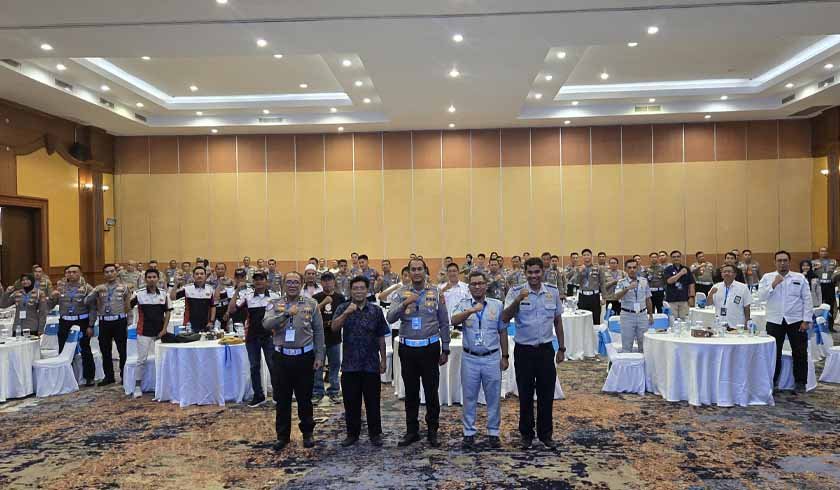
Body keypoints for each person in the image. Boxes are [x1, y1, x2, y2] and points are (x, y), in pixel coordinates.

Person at [386, 258, 450, 448]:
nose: (416, 272)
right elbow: (390, 317)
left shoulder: (436, 292)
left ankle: (432, 431)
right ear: (409, 272)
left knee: (431, 391)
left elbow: (444, 322)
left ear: (425, 271)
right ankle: (412, 431)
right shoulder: (400, 293)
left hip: (430, 348)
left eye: (419, 269)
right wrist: (405, 303)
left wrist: (446, 347)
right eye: (413, 269)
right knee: (411, 392)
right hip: (408, 349)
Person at [502, 257, 565, 450]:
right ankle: (526, 435)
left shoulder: (552, 292)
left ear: (542, 272)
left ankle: (546, 434)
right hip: (524, 351)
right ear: (525, 273)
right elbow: (504, 317)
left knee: (546, 395)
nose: (533, 276)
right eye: (530, 272)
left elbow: (558, 321)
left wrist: (562, 348)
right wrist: (518, 300)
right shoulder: (515, 292)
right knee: (525, 394)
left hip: (546, 350)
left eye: (537, 272)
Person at [263, 272, 325, 451]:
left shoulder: (311, 304)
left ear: (302, 284)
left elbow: (319, 331)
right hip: (281, 358)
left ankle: (308, 433)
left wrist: (319, 356)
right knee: (282, 399)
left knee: (305, 398)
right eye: (288, 282)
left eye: (296, 282)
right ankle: (282, 436)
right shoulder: (274, 304)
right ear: (283, 284)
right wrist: (285, 315)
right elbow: (266, 324)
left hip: (304, 357)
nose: (292, 285)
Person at [451, 271, 509, 449]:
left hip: (491, 357)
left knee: (493, 397)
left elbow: (502, 331)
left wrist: (505, 356)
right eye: (473, 284)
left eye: (480, 283)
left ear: (486, 285)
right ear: (469, 287)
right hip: (470, 358)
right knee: (469, 397)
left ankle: (493, 432)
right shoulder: (463, 304)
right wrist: (470, 311)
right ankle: (469, 432)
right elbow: (453, 320)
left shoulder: (497, 305)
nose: (477, 286)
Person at [330, 276, 389, 447]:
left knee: (373, 402)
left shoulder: (375, 310)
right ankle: (352, 434)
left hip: (371, 364)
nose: (358, 291)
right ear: (350, 290)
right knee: (351, 403)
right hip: (350, 365)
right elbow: (334, 328)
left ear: (367, 290)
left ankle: (375, 434)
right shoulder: (343, 307)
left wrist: (383, 360)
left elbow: (381, 336)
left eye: (362, 288)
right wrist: (346, 313)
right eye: (355, 288)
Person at [758, 250, 812, 393]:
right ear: (774, 262)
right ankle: (773, 381)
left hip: (796, 320)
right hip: (774, 320)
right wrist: (773, 285)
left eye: (785, 260)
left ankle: (801, 382)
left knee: (800, 352)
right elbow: (760, 297)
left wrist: (806, 320)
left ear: (789, 262)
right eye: (779, 260)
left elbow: (807, 299)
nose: (782, 263)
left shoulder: (799, 277)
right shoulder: (767, 277)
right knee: (774, 353)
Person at [228, 271, 274, 407]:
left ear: (266, 281)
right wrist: (237, 291)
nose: (259, 281)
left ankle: (278, 394)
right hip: (252, 337)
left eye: (261, 279)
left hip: (269, 336)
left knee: (273, 366)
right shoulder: (247, 297)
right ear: (253, 282)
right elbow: (232, 310)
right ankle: (258, 396)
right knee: (254, 367)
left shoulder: (274, 297)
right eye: (256, 279)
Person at [49, 265, 96, 386]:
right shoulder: (60, 288)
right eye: (68, 272)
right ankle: (65, 377)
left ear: (80, 273)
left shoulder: (87, 288)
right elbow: (49, 306)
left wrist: (91, 325)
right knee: (63, 348)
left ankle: (89, 376)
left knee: (85, 348)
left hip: (82, 321)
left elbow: (92, 308)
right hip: (65, 321)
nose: (71, 274)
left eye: (74, 272)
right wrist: (52, 298)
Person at [87, 264, 132, 386]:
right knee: (105, 350)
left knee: (122, 350)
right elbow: (87, 301)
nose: (109, 274)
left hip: (119, 321)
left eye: (112, 271)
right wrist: (94, 291)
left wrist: (130, 323)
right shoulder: (99, 288)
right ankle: (109, 376)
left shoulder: (124, 288)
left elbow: (128, 307)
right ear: (104, 274)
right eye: (106, 272)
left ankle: (124, 375)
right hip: (104, 322)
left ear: (116, 273)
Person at [130, 269, 171, 398]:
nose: (152, 279)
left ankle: (163, 384)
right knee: (141, 360)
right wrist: (127, 296)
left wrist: (164, 329)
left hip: (160, 332)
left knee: (163, 359)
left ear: (158, 279)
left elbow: (168, 312)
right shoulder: (138, 294)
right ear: (145, 279)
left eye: (154, 277)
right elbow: (127, 308)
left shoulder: (164, 294)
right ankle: (137, 386)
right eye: (149, 277)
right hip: (144, 332)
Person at [312, 272, 345, 404]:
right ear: (321, 283)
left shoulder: (340, 298)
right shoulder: (315, 298)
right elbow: (310, 315)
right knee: (317, 366)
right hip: (319, 337)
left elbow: (344, 315)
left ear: (334, 282)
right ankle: (317, 392)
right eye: (324, 280)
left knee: (335, 365)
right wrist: (323, 302)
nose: (327, 283)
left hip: (335, 336)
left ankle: (334, 391)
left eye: (329, 280)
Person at [614, 259, 654, 352]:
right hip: (627, 315)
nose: (632, 270)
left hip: (642, 315)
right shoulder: (621, 282)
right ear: (626, 269)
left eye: (634, 267)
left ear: (638, 268)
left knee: (644, 344)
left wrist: (651, 315)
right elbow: (616, 296)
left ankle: (644, 361)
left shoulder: (644, 281)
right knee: (627, 345)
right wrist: (628, 288)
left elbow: (648, 299)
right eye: (629, 268)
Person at [170, 266, 217, 332]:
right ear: (193, 276)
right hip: (189, 324)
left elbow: (213, 306)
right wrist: (176, 284)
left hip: (206, 324)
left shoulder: (210, 289)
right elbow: (172, 298)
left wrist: (211, 321)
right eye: (197, 274)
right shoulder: (187, 288)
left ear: (205, 276)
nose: (199, 276)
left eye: (202, 274)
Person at [574, 249, 606, 322]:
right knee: (582, 320)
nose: (586, 256)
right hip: (583, 297)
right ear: (582, 257)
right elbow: (576, 282)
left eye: (588, 255)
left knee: (595, 318)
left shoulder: (598, 268)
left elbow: (602, 283)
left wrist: (604, 297)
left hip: (594, 297)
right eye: (584, 255)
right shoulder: (578, 268)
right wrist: (580, 272)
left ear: (591, 256)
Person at [811, 247, 838, 331]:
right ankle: (817, 326)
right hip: (819, 285)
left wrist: (834, 278)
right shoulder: (814, 262)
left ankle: (830, 326)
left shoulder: (834, 262)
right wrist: (815, 268)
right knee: (818, 305)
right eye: (822, 251)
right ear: (819, 252)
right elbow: (810, 272)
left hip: (830, 285)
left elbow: (837, 272)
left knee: (831, 305)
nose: (824, 253)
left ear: (828, 252)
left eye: (825, 251)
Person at [664, 250, 696, 320]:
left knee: (685, 320)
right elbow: (669, 281)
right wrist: (680, 273)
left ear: (681, 258)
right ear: (671, 258)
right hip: (672, 299)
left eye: (678, 256)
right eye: (674, 257)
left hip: (684, 299)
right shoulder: (668, 269)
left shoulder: (686, 269)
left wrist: (691, 297)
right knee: (672, 320)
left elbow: (691, 284)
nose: (676, 258)